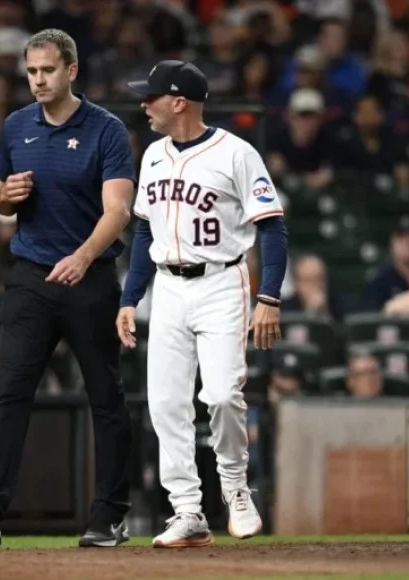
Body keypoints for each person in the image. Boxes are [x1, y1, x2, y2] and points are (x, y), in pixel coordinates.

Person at [0, 29, 136, 549]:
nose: (37, 81)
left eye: (46, 71)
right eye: (30, 72)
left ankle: (109, 515)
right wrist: (4, 196)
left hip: (89, 277)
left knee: (105, 397)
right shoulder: (15, 126)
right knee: (11, 390)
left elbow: (118, 210)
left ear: (71, 71)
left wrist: (82, 256)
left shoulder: (106, 130)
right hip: (30, 275)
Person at [117, 60, 288, 547]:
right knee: (167, 403)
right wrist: (131, 297)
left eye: (151, 97)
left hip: (220, 282)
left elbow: (272, 227)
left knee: (220, 395)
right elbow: (146, 228)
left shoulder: (236, 153)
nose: (143, 104)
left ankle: (235, 490)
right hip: (167, 288)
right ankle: (187, 511)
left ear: (179, 102)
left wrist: (268, 297)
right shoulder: (151, 155)